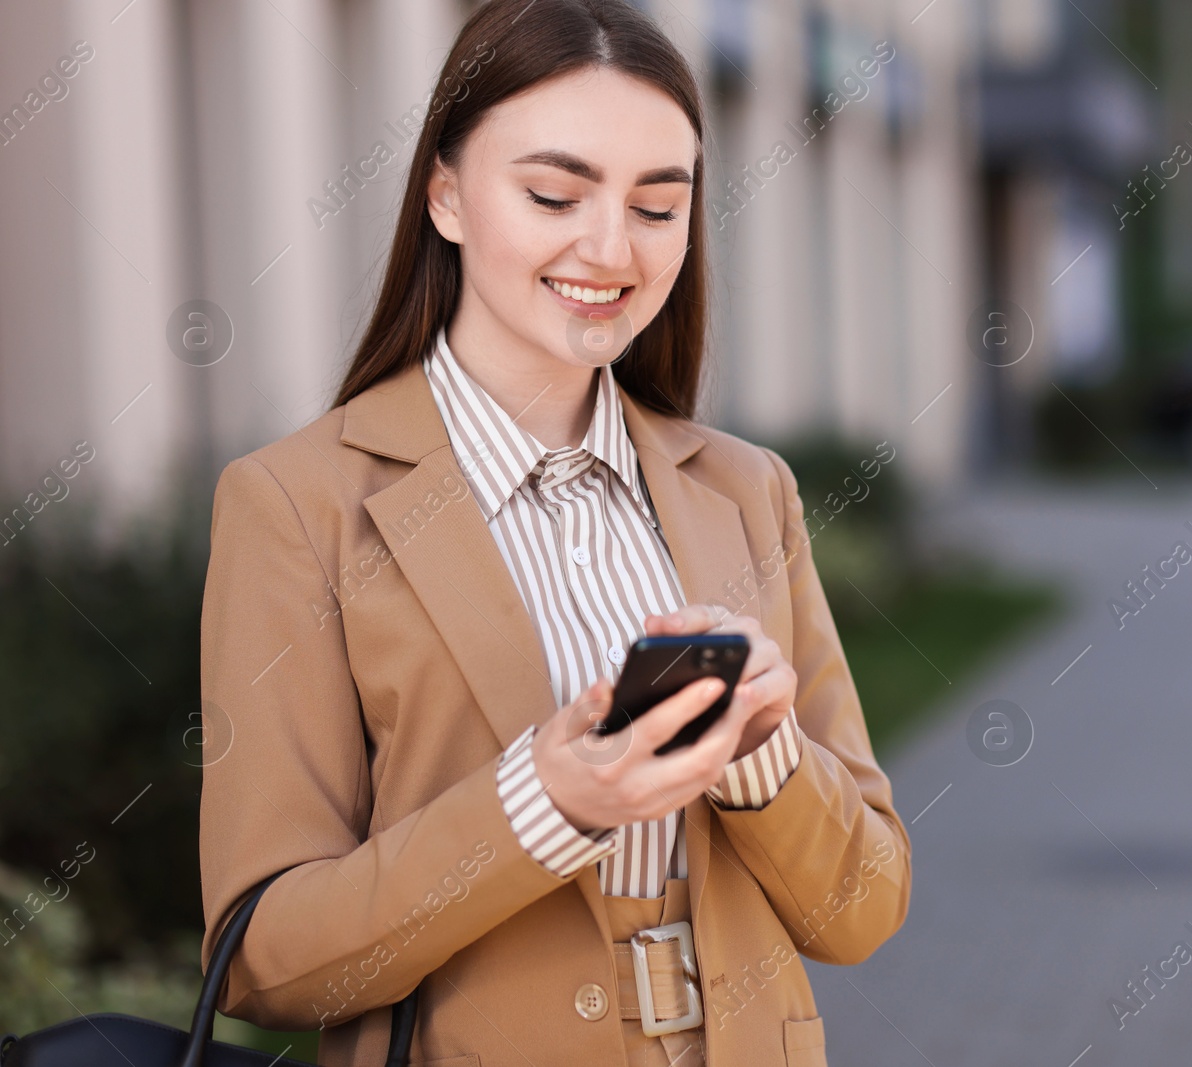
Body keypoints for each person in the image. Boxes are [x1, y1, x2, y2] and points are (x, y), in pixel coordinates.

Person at [196, 1, 910, 1065]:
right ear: (445, 195)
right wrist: (541, 803)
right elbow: (268, 959)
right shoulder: (297, 505)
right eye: (553, 194)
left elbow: (862, 908)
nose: (611, 248)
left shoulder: (746, 490)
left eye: (659, 206)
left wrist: (765, 761)